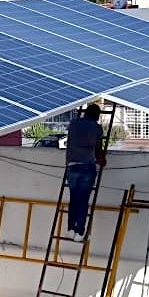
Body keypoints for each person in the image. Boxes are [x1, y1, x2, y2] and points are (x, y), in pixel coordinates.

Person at [65, 104, 106, 242]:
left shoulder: (73, 123)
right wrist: (102, 161)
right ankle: (79, 231)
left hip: (71, 166)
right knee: (83, 201)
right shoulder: (96, 127)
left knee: (74, 199)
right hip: (86, 167)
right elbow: (98, 149)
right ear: (96, 115)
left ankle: (70, 228)